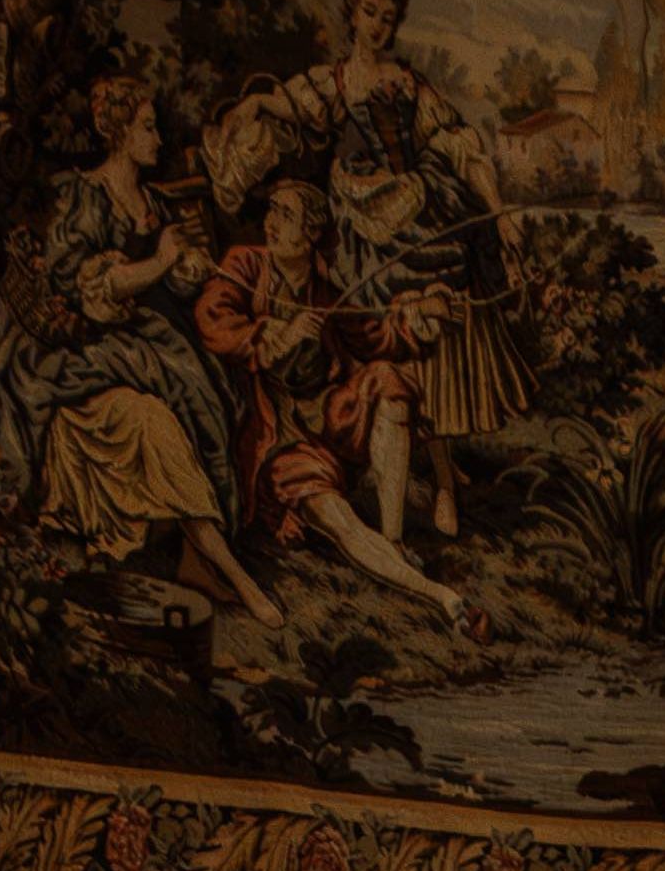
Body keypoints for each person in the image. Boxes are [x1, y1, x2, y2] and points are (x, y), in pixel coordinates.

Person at [213, 0, 522, 536]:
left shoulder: (407, 83)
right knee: (375, 346)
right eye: (370, 13)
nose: (378, 25)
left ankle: (446, 482)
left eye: (388, 17)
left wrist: (498, 213)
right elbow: (285, 105)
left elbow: (459, 143)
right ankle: (380, 470)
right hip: (357, 231)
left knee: (432, 344)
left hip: (416, 221)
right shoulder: (332, 82)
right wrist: (251, 105)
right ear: (351, 15)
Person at [0, 71, 278, 623]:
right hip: (84, 341)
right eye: (148, 129)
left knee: (209, 390)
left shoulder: (154, 200)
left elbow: (171, 286)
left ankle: (198, 556)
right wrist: (158, 261)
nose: (158, 140)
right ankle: (228, 570)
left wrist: (187, 269)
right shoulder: (80, 193)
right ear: (120, 134)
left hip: (138, 336)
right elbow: (81, 287)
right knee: (159, 411)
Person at [193, 178, 471, 617]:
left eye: (286, 215)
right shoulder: (244, 265)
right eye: (272, 211)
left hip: (333, 418)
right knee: (339, 521)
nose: (271, 223)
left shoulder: (326, 285)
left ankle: (393, 538)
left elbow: (376, 338)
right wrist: (275, 336)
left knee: (389, 383)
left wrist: (421, 315)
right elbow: (212, 320)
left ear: (311, 234)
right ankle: (437, 595)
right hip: (281, 437)